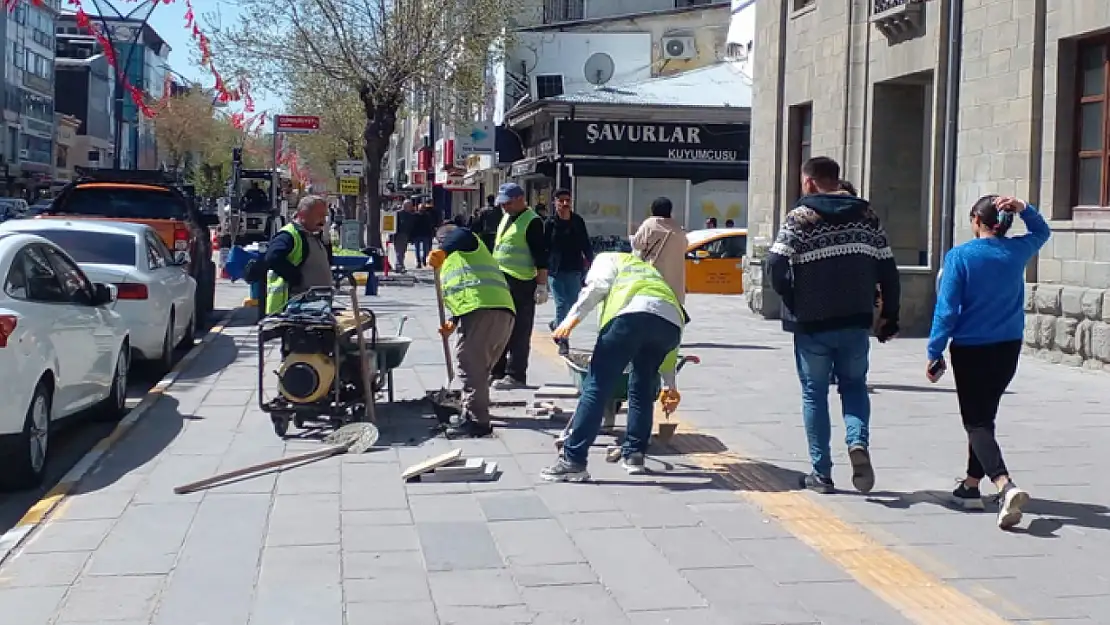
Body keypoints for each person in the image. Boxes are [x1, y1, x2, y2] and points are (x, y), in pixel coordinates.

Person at [766, 156, 901, 495]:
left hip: (812, 323)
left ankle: (821, 473)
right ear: (837, 179)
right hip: (856, 319)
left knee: (814, 393)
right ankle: (857, 443)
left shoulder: (799, 217)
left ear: (809, 182)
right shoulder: (867, 216)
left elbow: (775, 264)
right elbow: (888, 270)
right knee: (854, 386)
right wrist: (890, 316)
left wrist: (793, 299)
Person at [927, 195, 1049, 530]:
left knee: (975, 422)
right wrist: (1024, 207)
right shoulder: (1017, 251)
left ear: (975, 220)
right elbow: (1043, 231)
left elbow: (947, 309)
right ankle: (969, 486)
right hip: (1007, 347)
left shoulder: (960, 257)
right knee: (985, 417)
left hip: (971, 349)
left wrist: (934, 350)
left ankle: (1004, 484)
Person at [542, 252, 685, 480]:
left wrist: (570, 320)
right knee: (642, 387)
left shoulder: (607, 259)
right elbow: (663, 325)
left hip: (630, 319)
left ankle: (573, 460)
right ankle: (634, 455)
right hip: (670, 325)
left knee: (597, 386)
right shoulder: (650, 272)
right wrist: (670, 384)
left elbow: (597, 287)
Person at [426, 227, 516, 438]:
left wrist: (444, 249)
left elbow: (463, 233)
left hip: (486, 312)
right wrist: (453, 320)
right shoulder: (457, 261)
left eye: (441, 242)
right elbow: (468, 290)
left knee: (469, 364)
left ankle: (477, 421)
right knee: (479, 369)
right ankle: (474, 410)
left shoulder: (466, 242)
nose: (439, 246)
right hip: (495, 312)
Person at [490, 182, 549, 389]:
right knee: (499, 328)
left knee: (519, 330)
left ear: (519, 199)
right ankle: (497, 370)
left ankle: (515, 374)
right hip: (501, 280)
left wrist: (542, 286)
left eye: (506, 203)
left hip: (522, 282)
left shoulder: (532, 222)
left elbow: (541, 256)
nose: (503, 207)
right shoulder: (507, 217)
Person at [263, 195, 335, 314]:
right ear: (302, 215)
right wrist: (297, 278)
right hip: (295, 306)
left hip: (316, 304)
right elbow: (273, 258)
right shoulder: (289, 235)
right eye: (320, 216)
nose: (324, 221)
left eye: (325, 216)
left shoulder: (313, 234)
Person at [544, 188, 594, 356]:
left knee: (573, 305)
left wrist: (591, 261)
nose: (565, 204)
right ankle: (563, 340)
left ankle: (556, 325)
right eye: (561, 201)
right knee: (561, 304)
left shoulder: (577, 221)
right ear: (555, 203)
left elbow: (585, 243)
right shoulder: (549, 223)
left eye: (568, 201)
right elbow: (544, 247)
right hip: (555, 270)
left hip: (574, 269)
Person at [632, 197, 686, 305]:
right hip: (674, 285)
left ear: (653, 209)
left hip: (654, 277)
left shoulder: (650, 224)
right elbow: (685, 246)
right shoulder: (678, 229)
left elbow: (637, 244)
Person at [411, 203, 437, 269]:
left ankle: (424, 259)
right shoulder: (415, 216)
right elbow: (412, 226)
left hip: (425, 234)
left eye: (423, 208)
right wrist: (411, 236)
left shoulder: (427, 216)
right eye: (420, 208)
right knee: (417, 249)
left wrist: (431, 234)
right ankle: (418, 262)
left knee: (426, 249)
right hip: (417, 234)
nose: (421, 209)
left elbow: (430, 225)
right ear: (418, 209)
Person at [394, 200, 417, 273]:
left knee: (402, 251)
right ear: (404, 206)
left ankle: (399, 265)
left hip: (406, 235)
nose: (410, 207)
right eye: (409, 206)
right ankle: (399, 266)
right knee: (400, 251)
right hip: (399, 235)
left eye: (411, 206)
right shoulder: (398, 214)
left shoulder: (411, 215)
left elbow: (412, 226)